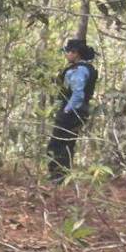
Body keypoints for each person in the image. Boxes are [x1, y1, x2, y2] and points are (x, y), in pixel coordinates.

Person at [47, 38, 98, 184]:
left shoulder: (78, 70)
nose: (66, 54)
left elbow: (78, 94)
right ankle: (62, 178)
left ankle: (57, 178)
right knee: (67, 144)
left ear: (75, 53)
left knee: (57, 144)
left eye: (68, 52)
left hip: (72, 112)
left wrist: (66, 111)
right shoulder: (87, 68)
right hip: (80, 111)